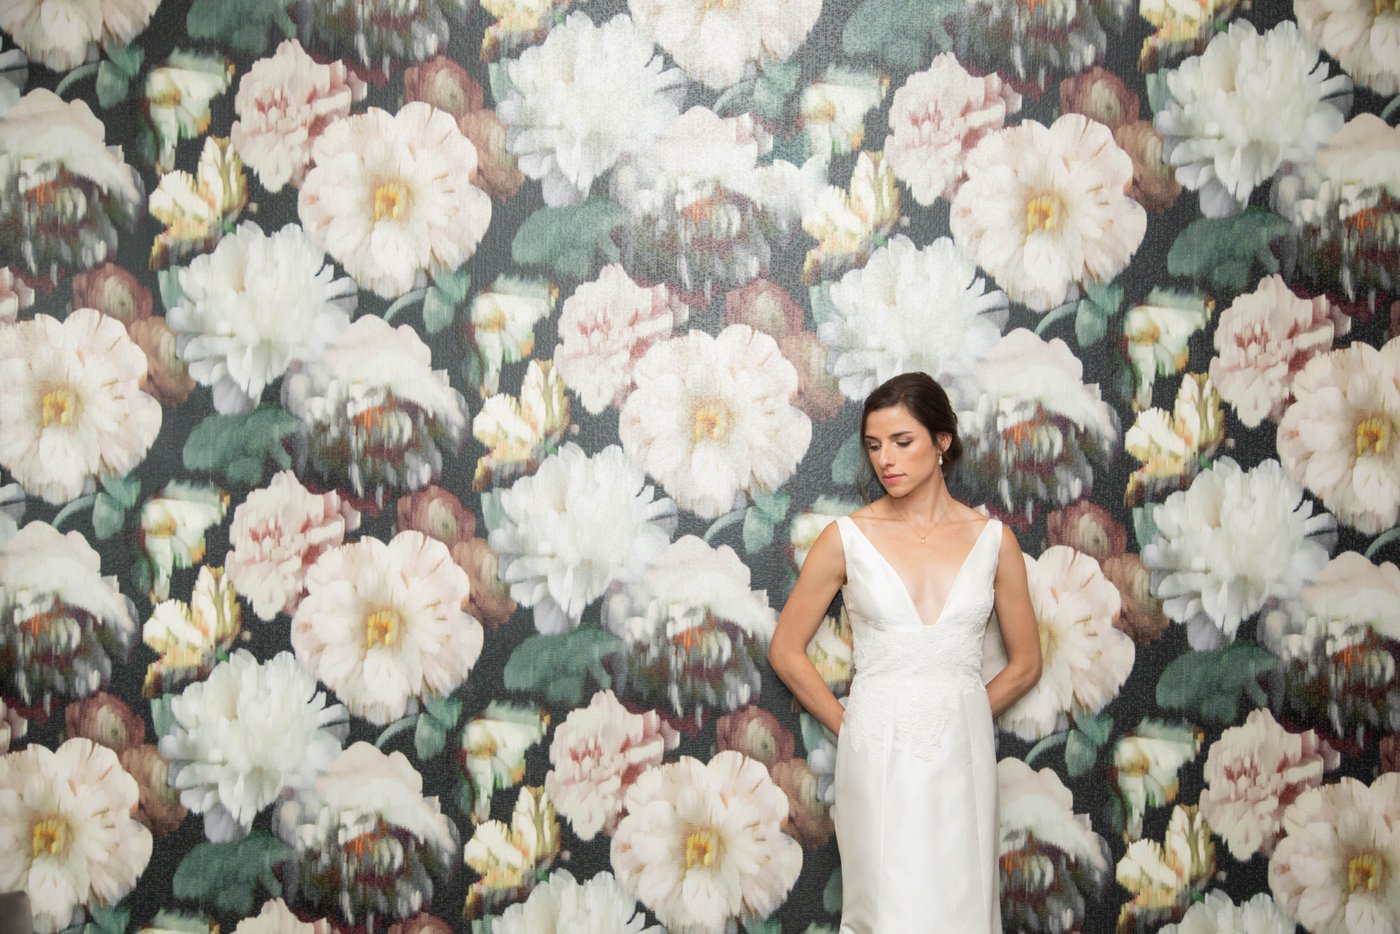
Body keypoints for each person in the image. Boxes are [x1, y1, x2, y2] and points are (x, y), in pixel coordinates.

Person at [768, 371, 1042, 933]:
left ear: (942, 441)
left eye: (902, 441)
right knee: (885, 907)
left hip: (962, 755)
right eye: (874, 446)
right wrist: (856, 724)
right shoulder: (844, 538)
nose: (885, 460)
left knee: (962, 906)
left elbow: (1026, 665)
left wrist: (955, 716)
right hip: (875, 752)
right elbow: (785, 651)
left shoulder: (994, 542)